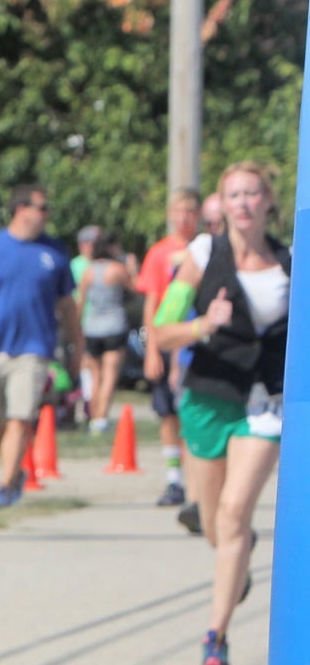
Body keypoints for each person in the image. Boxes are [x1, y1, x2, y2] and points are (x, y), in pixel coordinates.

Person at [149, 162, 288, 665]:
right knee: (214, 525)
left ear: (268, 201)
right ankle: (237, 559)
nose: (244, 203)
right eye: (234, 194)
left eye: (253, 193)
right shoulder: (202, 256)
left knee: (234, 515)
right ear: (223, 205)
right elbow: (163, 329)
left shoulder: (289, 263)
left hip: (263, 402)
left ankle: (217, 635)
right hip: (208, 398)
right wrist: (205, 323)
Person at [0, 186, 82, 507]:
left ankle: (6, 485)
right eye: (42, 208)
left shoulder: (54, 252)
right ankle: (14, 472)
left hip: (35, 348)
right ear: (20, 209)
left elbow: (68, 307)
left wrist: (77, 349)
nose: (47, 215)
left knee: (19, 417)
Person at [139, 190, 201, 511]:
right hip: (167, 339)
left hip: (197, 341)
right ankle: (174, 479)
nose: (184, 217)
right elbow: (151, 303)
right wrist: (151, 349)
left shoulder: (206, 248)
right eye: (178, 211)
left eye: (190, 211)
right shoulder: (160, 253)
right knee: (168, 412)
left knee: (193, 412)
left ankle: (198, 485)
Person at [72, 225, 134, 432]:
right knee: (110, 375)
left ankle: (94, 417)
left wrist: (77, 330)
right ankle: (102, 419)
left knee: (96, 376)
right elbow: (136, 288)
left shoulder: (88, 272)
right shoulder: (117, 269)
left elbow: (80, 303)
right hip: (114, 325)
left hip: (91, 327)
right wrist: (132, 267)